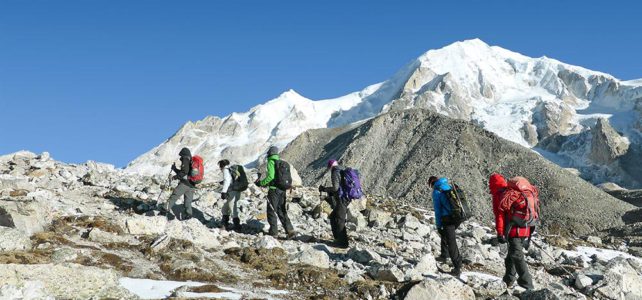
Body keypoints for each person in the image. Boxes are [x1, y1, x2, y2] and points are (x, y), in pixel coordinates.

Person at [490, 173, 534, 290]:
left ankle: (527, 285)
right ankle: (508, 280)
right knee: (511, 256)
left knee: (516, 255)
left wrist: (500, 233)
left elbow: (499, 216)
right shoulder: (513, 192)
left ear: (492, 185)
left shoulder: (500, 195)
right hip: (525, 227)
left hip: (513, 230)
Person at [255, 146, 296, 238]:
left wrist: (261, 183)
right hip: (283, 189)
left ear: (269, 153)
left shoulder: (271, 162)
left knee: (271, 210)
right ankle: (290, 230)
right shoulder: (282, 163)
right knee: (281, 210)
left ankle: (273, 233)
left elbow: (271, 177)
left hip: (274, 190)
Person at [429, 176, 462, 276]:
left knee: (451, 242)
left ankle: (457, 266)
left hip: (447, 218)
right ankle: (444, 254)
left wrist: (438, 225)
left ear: (432, 183)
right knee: (446, 236)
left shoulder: (437, 191)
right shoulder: (447, 186)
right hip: (457, 217)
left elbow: (438, 211)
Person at [318, 159, 349, 248]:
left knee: (339, 220)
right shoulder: (342, 169)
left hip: (342, 199)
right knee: (333, 217)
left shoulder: (335, 172)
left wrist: (324, 189)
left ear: (330, 166)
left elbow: (336, 188)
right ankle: (337, 238)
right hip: (344, 198)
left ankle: (342, 243)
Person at [165, 147, 195, 220]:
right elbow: (186, 172)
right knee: (188, 201)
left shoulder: (185, 159)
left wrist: (174, 177)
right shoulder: (191, 161)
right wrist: (175, 169)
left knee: (174, 196)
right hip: (192, 184)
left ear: (183, 154)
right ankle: (188, 215)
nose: (180, 157)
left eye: (181, 155)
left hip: (184, 184)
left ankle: (164, 210)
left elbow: (184, 172)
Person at [219, 159, 242, 231]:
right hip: (237, 191)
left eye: (220, 166)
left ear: (222, 165)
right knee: (225, 208)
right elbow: (231, 179)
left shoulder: (226, 170)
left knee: (232, 208)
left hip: (231, 191)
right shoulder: (231, 169)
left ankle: (237, 226)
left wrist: (223, 192)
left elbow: (227, 180)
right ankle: (225, 224)